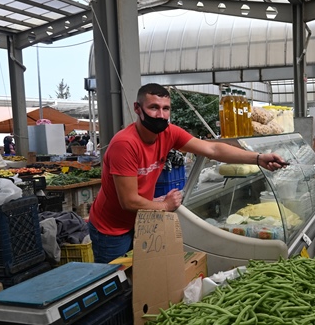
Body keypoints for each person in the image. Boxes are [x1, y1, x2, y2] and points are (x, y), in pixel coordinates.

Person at [88, 83, 286, 264]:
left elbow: (213, 150)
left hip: (141, 220)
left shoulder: (169, 133)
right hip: (111, 229)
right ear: (137, 109)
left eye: (166, 109)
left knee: (142, 277)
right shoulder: (125, 144)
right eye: (153, 107)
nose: (161, 115)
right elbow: (129, 201)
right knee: (117, 286)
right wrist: (164, 205)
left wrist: (258, 158)